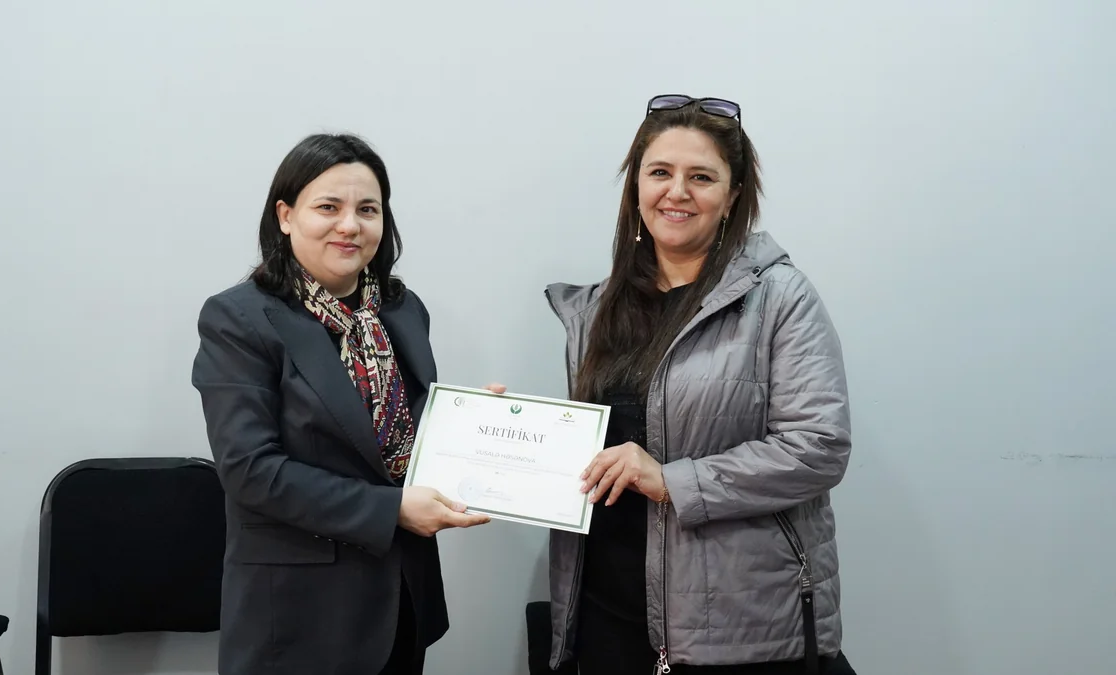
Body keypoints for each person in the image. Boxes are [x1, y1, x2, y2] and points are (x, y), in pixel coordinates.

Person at [543, 95, 855, 674]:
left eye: (702, 177)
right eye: (659, 172)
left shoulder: (780, 298)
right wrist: (506, 440)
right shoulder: (599, 309)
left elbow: (817, 448)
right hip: (606, 611)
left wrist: (670, 482)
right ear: (636, 187)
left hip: (734, 625)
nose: (677, 192)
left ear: (732, 195)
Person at [191, 133, 494, 675]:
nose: (350, 225)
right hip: (300, 617)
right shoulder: (239, 319)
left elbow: (404, 438)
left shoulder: (401, 309)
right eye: (328, 207)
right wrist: (391, 510)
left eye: (367, 210)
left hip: (402, 600)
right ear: (286, 216)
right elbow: (250, 470)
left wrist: (475, 427)